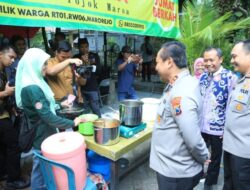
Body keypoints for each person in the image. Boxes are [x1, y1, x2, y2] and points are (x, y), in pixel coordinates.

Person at [15, 48, 84, 190]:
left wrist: (59, 104)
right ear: (33, 64)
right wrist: (73, 122)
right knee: (40, 163)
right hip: (41, 133)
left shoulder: (36, 80)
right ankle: (37, 187)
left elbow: (46, 104)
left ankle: (46, 185)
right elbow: (47, 116)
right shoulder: (32, 87)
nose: (46, 67)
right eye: (43, 64)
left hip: (45, 130)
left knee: (44, 165)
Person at [150, 41, 210, 190]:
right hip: (171, 165)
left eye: (157, 62)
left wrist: (204, 156)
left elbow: (192, 138)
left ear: (169, 62)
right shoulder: (176, 84)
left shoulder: (182, 91)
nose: (155, 67)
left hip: (175, 172)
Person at [199, 48, 237, 190]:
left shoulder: (230, 77)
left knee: (215, 158)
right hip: (201, 126)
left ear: (220, 59)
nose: (208, 63)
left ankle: (209, 183)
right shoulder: (203, 77)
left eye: (211, 60)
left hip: (218, 128)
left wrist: (226, 128)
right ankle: (199, 175)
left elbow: (231, 105)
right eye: (206, 60)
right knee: (199, 154)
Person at [0, 42, 30, 189]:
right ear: (1, 54)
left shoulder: (3, 71)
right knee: (14, 145)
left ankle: (4, 173)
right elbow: (4, 93)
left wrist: (11, 108)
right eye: (10, 57)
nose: (12, 61)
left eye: (14, 58)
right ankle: (13, 180)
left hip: (4, 113)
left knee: (4, 146)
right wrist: (5, 93)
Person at [223, 39, 250, 190]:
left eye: (235, 56)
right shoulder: (241, 81)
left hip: (244, 155)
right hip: (230, 148)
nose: (232, 60)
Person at [73, 38, 102, 117]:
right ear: (78, 47)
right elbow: (74, 72)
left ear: (88, 47)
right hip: (81, 89)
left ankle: (100, 127)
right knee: (84, 112)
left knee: (96, 109)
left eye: (86, 47)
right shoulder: (75, 58)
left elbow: (99, 70)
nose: (84, 49)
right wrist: (82, 63)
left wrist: (88, 63)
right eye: (82, 47)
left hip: (92, 87)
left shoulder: (94, 56)